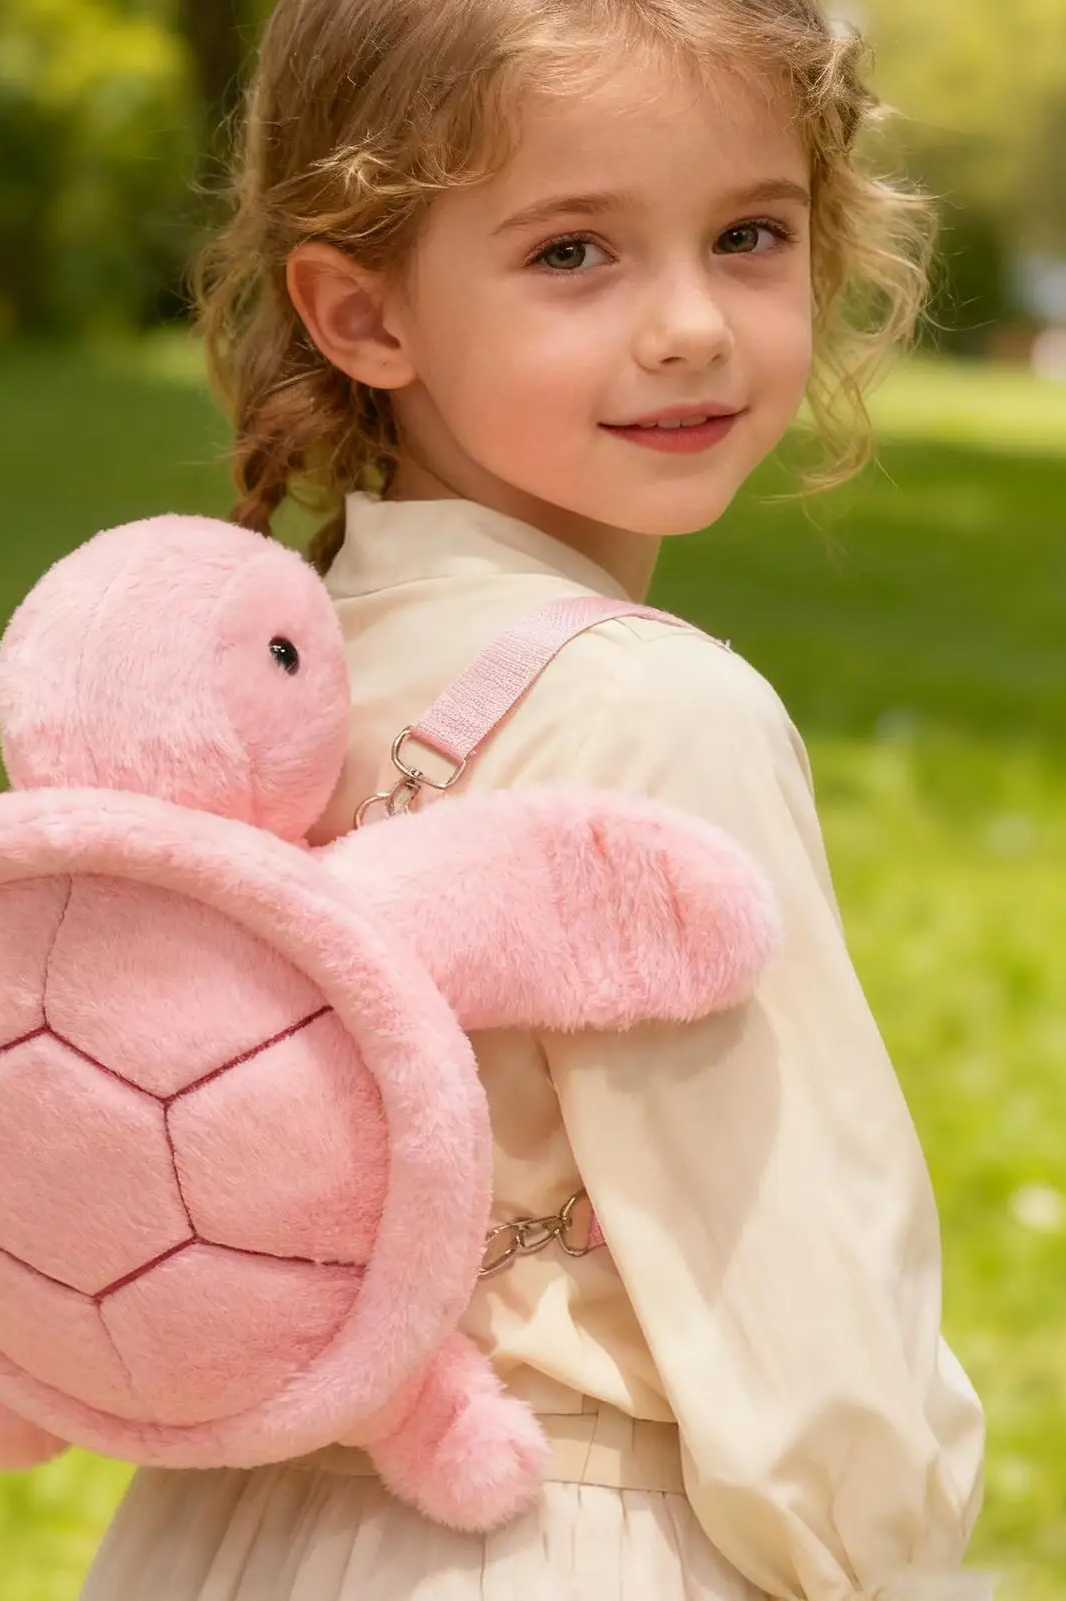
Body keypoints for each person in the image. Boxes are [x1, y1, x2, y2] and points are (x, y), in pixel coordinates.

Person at [78, 1, 990, 1597]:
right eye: (575, 254)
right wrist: (889, 1554)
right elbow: (789, 1287)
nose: (692, 324)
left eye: (751, 235)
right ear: (364, 314)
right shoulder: (650, 710)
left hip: (225, 1541)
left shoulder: (269, 683)